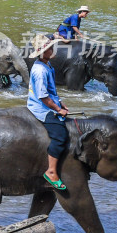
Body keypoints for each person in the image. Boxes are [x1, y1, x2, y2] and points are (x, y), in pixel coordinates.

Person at [27, 34, 71, 191]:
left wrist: (60, 103)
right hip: (40, 107)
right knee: (60, 136)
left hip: (48, 103)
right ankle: (51, 171)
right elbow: (43, 97)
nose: (52, 50)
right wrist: (58, 109)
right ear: (41, 52)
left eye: (51, 46)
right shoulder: (40, 70)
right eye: (49, 48)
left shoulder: (48, 65)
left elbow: (51, 92)